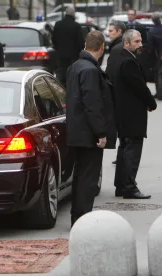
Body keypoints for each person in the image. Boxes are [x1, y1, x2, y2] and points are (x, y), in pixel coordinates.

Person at [66, 30, 116, 227]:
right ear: (102, 47)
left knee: (80, 176)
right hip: (88, 133)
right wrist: (101, 133)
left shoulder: (76, 66)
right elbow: (92, 104)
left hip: (77, 131)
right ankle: (83, 219)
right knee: (88, 178)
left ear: (86, 45)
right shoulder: (90, 70)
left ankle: (77, 217)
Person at [108, 29, 157, 199]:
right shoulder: (128, 61)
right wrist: (151, 103)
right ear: (126, 43)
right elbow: (140, 88)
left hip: (121, 111)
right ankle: (129, 187)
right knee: (132, 150)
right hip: (131, 113)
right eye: (136, 42)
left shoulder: (117, 55)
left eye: (141, 41)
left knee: (124, 148)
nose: (140, 44)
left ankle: (121, 185)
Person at [105, 20, 126, 165]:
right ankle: (121, 156)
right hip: (118, 93)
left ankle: (123, 156)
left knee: (122, 127)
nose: (108, 33)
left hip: (118, 94)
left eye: (111, 30)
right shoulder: (117, 46)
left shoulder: (118, 48)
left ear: (119, 31)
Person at [52, 7, 85, 86]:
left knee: (61, 74)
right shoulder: (76, 26)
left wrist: (58, 49)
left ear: (66, 13)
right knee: (72, 76)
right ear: (73, 14)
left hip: (60, 56)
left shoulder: (58, 24)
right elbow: (80, 42)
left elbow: (53, 39)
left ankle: (60, 89)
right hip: (73, 57)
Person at [147, 12, 162, 98]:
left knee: (157, 74)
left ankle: (159, 93)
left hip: (158, 55)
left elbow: (150, 47)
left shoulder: (151, 31)